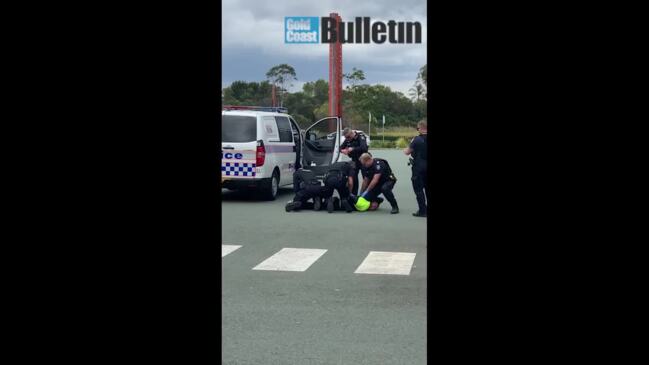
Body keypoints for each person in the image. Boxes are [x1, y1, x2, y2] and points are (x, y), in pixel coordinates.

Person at [404, 120, 428, 217]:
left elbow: (407, 152)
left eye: (417, 128)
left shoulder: (417, 139)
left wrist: (405, 149)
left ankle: (422, 211)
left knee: (418, 189)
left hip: (419, 167)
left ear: (421, 128)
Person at [339, 128, 368, 195]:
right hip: (354, 160)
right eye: (346, 137)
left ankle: (366, 195)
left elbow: (364, 148)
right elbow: (340, 147)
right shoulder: (348, 139)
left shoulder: (360, 137)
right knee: (353, 178)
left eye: (348, 137)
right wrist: (343, 151)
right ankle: (354, 195)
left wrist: (353, 149)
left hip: (363, 160)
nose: (348, 139)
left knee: (366, 178)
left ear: (352, 133)